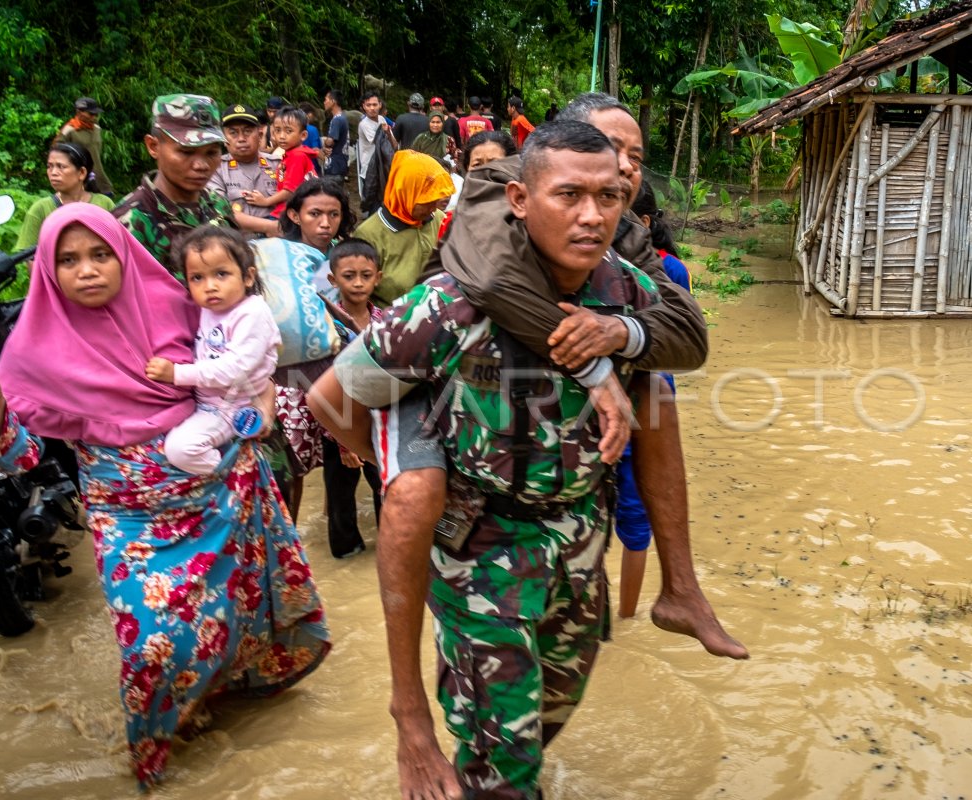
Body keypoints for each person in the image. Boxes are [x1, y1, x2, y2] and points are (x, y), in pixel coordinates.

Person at [309, 121, 653, 799]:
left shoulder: (624, 289)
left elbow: (679, 349)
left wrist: (624, 334)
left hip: (580, 541)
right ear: (520, 200)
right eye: (569, 195)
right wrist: (400, 472)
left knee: (551, 712)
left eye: (609, 196)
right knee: (503, 764)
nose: (592, 216)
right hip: (482, 551)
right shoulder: (450, 308)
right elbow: (333, 399)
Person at [0, 203, 329, 787]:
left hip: (221, 492)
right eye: (68, 261)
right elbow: (21, 457)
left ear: (124, 256)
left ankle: (224, 700)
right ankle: (158, 746)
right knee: (153, 643)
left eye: (100, 255)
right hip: (126, 516)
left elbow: (249, 369)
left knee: (236, 608)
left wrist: (264, 407)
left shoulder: (180, 305)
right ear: (47, 270)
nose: (87, 270)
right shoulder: (30, 352)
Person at [438, 91, 748, 660]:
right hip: (455, 378)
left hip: (557, 411)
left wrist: (618, 334)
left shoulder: (624, 229)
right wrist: (595, 365)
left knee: (655, 391)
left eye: (634, 155)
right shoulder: (500, 184)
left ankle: (680, 587)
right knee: (413, 496)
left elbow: (686, 329)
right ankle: (409, 708)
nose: (627, 166)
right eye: (612, 147)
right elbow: (490, 279)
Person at [616, 178, 693, 617]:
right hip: (626, 399)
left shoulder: (668, 269)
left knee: (633, 515)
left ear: (642, 223)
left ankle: (624, 619)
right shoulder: (592, 262)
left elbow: (680, 339)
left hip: (645, 402)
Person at [147, 227, 281, 475]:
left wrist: (176, 373)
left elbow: (236, 369)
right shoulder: (209, 310)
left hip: (232, 406)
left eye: (221, 274)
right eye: (197, 278)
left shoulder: (252, 313)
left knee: (180, 449)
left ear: (248, 277)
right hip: (209, 402)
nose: (210, 286)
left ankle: (232, 474)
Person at [274, 178, 357, 515]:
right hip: (289, 379)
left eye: (334, 214)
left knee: (342, 460)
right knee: (292, 468)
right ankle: (289, 537)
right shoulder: (278, 259)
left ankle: (331, 527)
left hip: (338, 368)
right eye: (315, 214)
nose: (325, 223)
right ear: (295, 215)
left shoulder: (342, 256)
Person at [113, 94, 236, 273]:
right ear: (153, 146)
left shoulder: (219, 204)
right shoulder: (128, 221)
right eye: (186, 152)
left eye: (211, 152)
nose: (201, 165)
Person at [321, 239, 384, 558]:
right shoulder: (323, 323)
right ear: (333, 279)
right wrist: (343, 440)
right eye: (349, 276)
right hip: (337, 423)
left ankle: (390, 549)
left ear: (378, 278)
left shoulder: (386, 320)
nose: (358, 283)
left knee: (385, 487)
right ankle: (346, 554)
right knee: (340, 494)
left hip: (379, 420)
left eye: (366, 275)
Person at [351, 150, 453, 304]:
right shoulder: (369, 235)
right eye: (426, 202)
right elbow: (359, 296)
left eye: (435, 199)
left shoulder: (439, 219)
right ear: (405, 192)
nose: (434, 208)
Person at [16, 142, 115, 249]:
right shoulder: (40, 209)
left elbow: (120, 244)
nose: (53, 172)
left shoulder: (104, 204)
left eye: (61, 166)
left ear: (81, 172)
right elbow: (29, 256)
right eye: (49, 166)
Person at [206, 104, 283, 237]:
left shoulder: (278, 164)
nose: (241, 138)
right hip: (238, 244)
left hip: (281, 241)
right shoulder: (216, 169)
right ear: (224, 139)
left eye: (247, 131)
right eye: (233, 133)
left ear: (259, 135)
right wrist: (270, 226)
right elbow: (220, 211)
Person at [242, 106, 318, 220]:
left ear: (303, 135)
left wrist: (265, 201)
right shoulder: (291, 154)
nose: (282, 136)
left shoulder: (297, 156)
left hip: (290, 214)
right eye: (277, 130)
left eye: (289, 131)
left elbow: (290, 191)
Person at [56, 97, 114, 196]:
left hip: (98, 176)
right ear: (79, 112)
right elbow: (57, 151)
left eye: (96, 114)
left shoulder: (96, 128)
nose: (94, 117)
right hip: (79, 177)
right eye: (91, 114)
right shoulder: (69, 130)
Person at [356, 91, 395, 203]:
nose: (372, 108)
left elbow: (393, 142)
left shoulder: (382, 119)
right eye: (368, 105)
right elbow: (377, 142)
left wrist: (388, 133)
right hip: (369, 169)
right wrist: (386, 132)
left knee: (384, 200)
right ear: (364, 106)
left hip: (383, 167)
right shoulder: (364, 124)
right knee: (372, 203)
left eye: (374, 104)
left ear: (380, 105)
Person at [322, 90, 350, 180]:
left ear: (333, 102)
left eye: (326, 100)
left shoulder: (337, 120)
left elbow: (330, 142)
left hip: (335, 166)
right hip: (341, 163)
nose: (324, 102)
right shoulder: (343, 117)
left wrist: (325, 144)